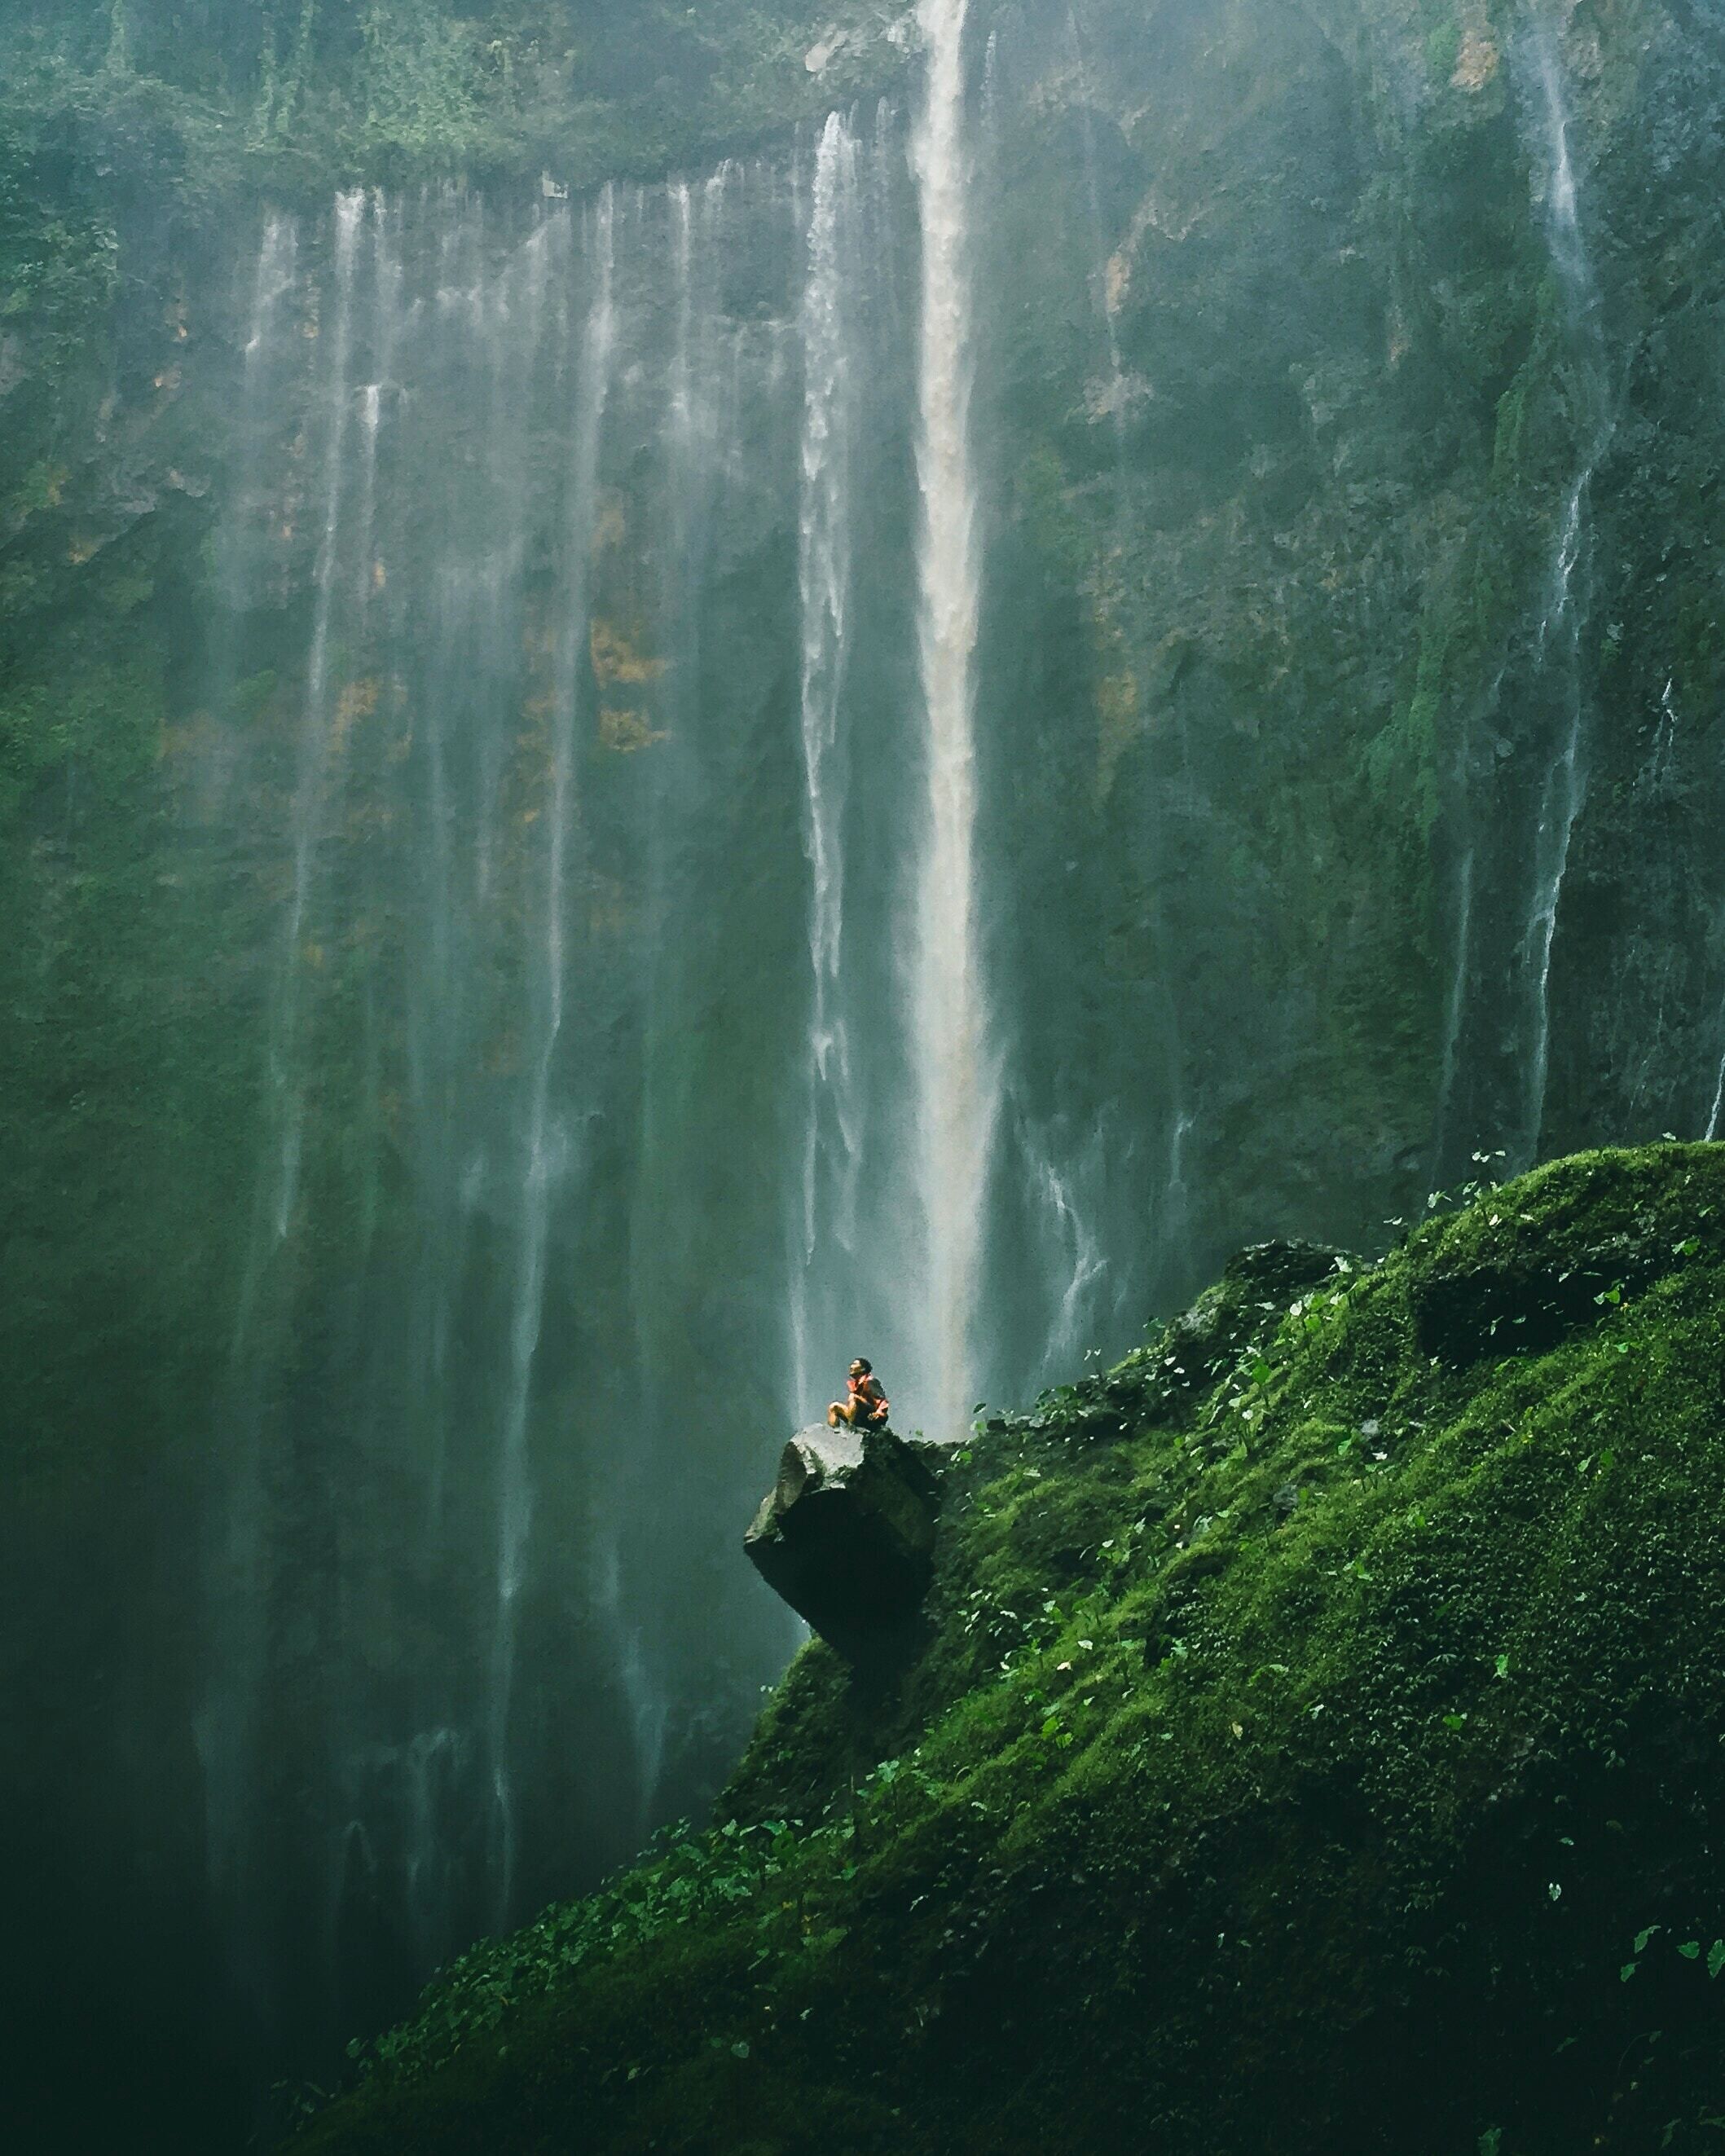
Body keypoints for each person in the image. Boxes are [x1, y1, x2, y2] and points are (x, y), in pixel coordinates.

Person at [828, 1357, 890, 1431]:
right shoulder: (857, 1385)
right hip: (860, 1416)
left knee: (853, 1397)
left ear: (863, 1369)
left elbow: (883, 1400)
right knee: (834, 1407)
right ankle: (836, 1432)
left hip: (872, 1417)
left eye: (854, 1364)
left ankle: (851, 1427)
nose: (851, 1366)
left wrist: (879, 1412)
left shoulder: (870, 1381)